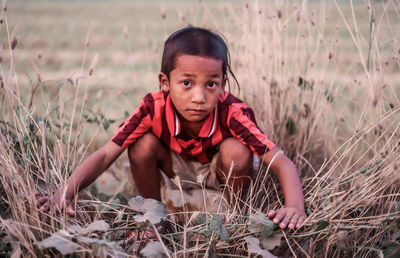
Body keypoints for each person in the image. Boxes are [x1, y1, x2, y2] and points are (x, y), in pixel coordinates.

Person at [36, 26, 306, 230]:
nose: (199, 97)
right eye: (186, 83)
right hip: (173, 169)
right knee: (141, 145)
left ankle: (232, 219)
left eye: (210, 84)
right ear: (165, 82)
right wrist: (65, 192)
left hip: (219, 173)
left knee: (237, 149)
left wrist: (294, 206)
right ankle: (153, 219)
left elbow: (282, 162)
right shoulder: (152, 108)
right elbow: (107, 154)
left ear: (222, 84)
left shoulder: (233, 112)